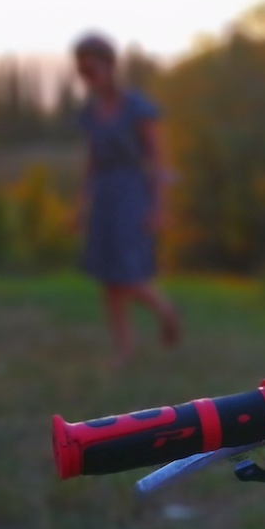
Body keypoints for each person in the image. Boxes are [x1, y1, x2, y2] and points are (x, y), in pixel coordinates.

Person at [72, 32, 181, 366]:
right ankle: (124, 349)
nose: (88, 78)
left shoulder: (137, 108)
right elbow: (92, 161)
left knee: (130, 274)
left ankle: (166, 311)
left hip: (133, 193)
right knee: (108, 277)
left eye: (92, 70)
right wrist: (80, 205)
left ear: (109, 66)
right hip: (104, 195)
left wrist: (159, 207)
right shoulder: (92, 111)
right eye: (82, 72)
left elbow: (159, 161)